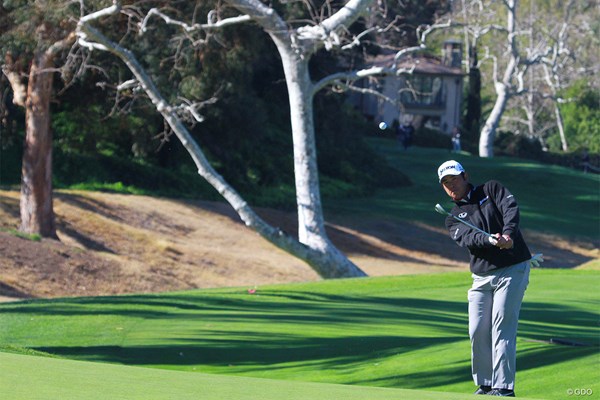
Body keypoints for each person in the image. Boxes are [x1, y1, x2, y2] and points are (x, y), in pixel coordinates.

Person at [436, 160, 538, 397]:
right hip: (481, 277)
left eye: (454, 179)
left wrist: (509, 234)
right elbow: (468, 238)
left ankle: (503, 388)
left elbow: (510, 209)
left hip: (512, 268)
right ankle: (485, 384)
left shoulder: (491, 189)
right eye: (445, 183)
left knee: (501, 326)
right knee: (478, 329)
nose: (451, 186)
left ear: (465, 176)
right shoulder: (452, 217)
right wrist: (491, 240)